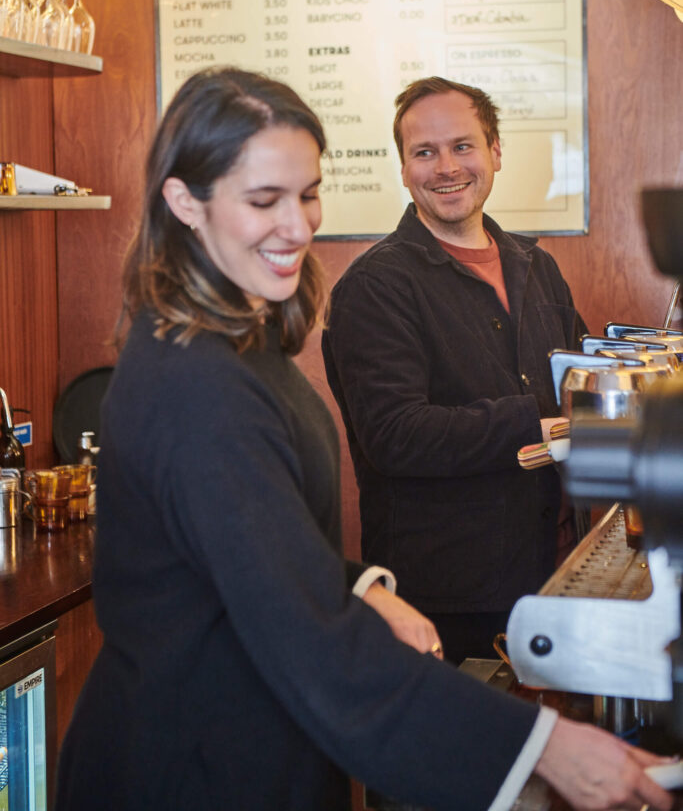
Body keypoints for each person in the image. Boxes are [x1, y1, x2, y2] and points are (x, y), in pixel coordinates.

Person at [54, 67, 672, 811]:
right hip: (194, 763)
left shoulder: (233, 337)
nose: (297, 225)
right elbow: (306, 636)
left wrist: (359, 587)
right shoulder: (195, 385)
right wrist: (542, 745)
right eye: (263, 201)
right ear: (184, 202)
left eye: (308, 194)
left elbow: (252, 534)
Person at [322, 77, 587, 668]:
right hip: (451, 602)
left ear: (495, 152)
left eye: (463, 147)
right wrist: (539, 420)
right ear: (403, 167)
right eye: (424, 152)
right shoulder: (374, 287)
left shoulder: (536, 266)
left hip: (556, 570)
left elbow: (581, 380)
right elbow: (396, 436)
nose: (446, 167)